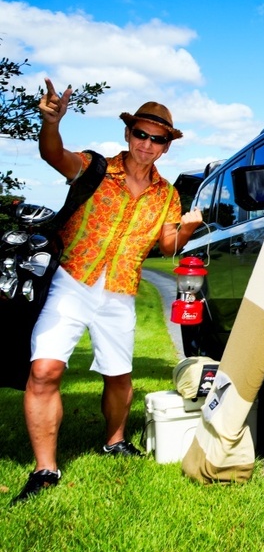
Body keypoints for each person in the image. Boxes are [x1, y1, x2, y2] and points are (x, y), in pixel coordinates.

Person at [11, 79, 203, 504]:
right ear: (128, 133)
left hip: (120, 291)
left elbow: (168, 245)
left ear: (166, 147)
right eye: (141, 134)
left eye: (157, 139)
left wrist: (186, 227)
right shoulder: (95, 168)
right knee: (44, 371)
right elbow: (53, 154)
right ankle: (45, 469)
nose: (147, 144)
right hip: (72, 282)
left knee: (119, 376)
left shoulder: (167, 196)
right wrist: (51, 123)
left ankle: (114, 440)